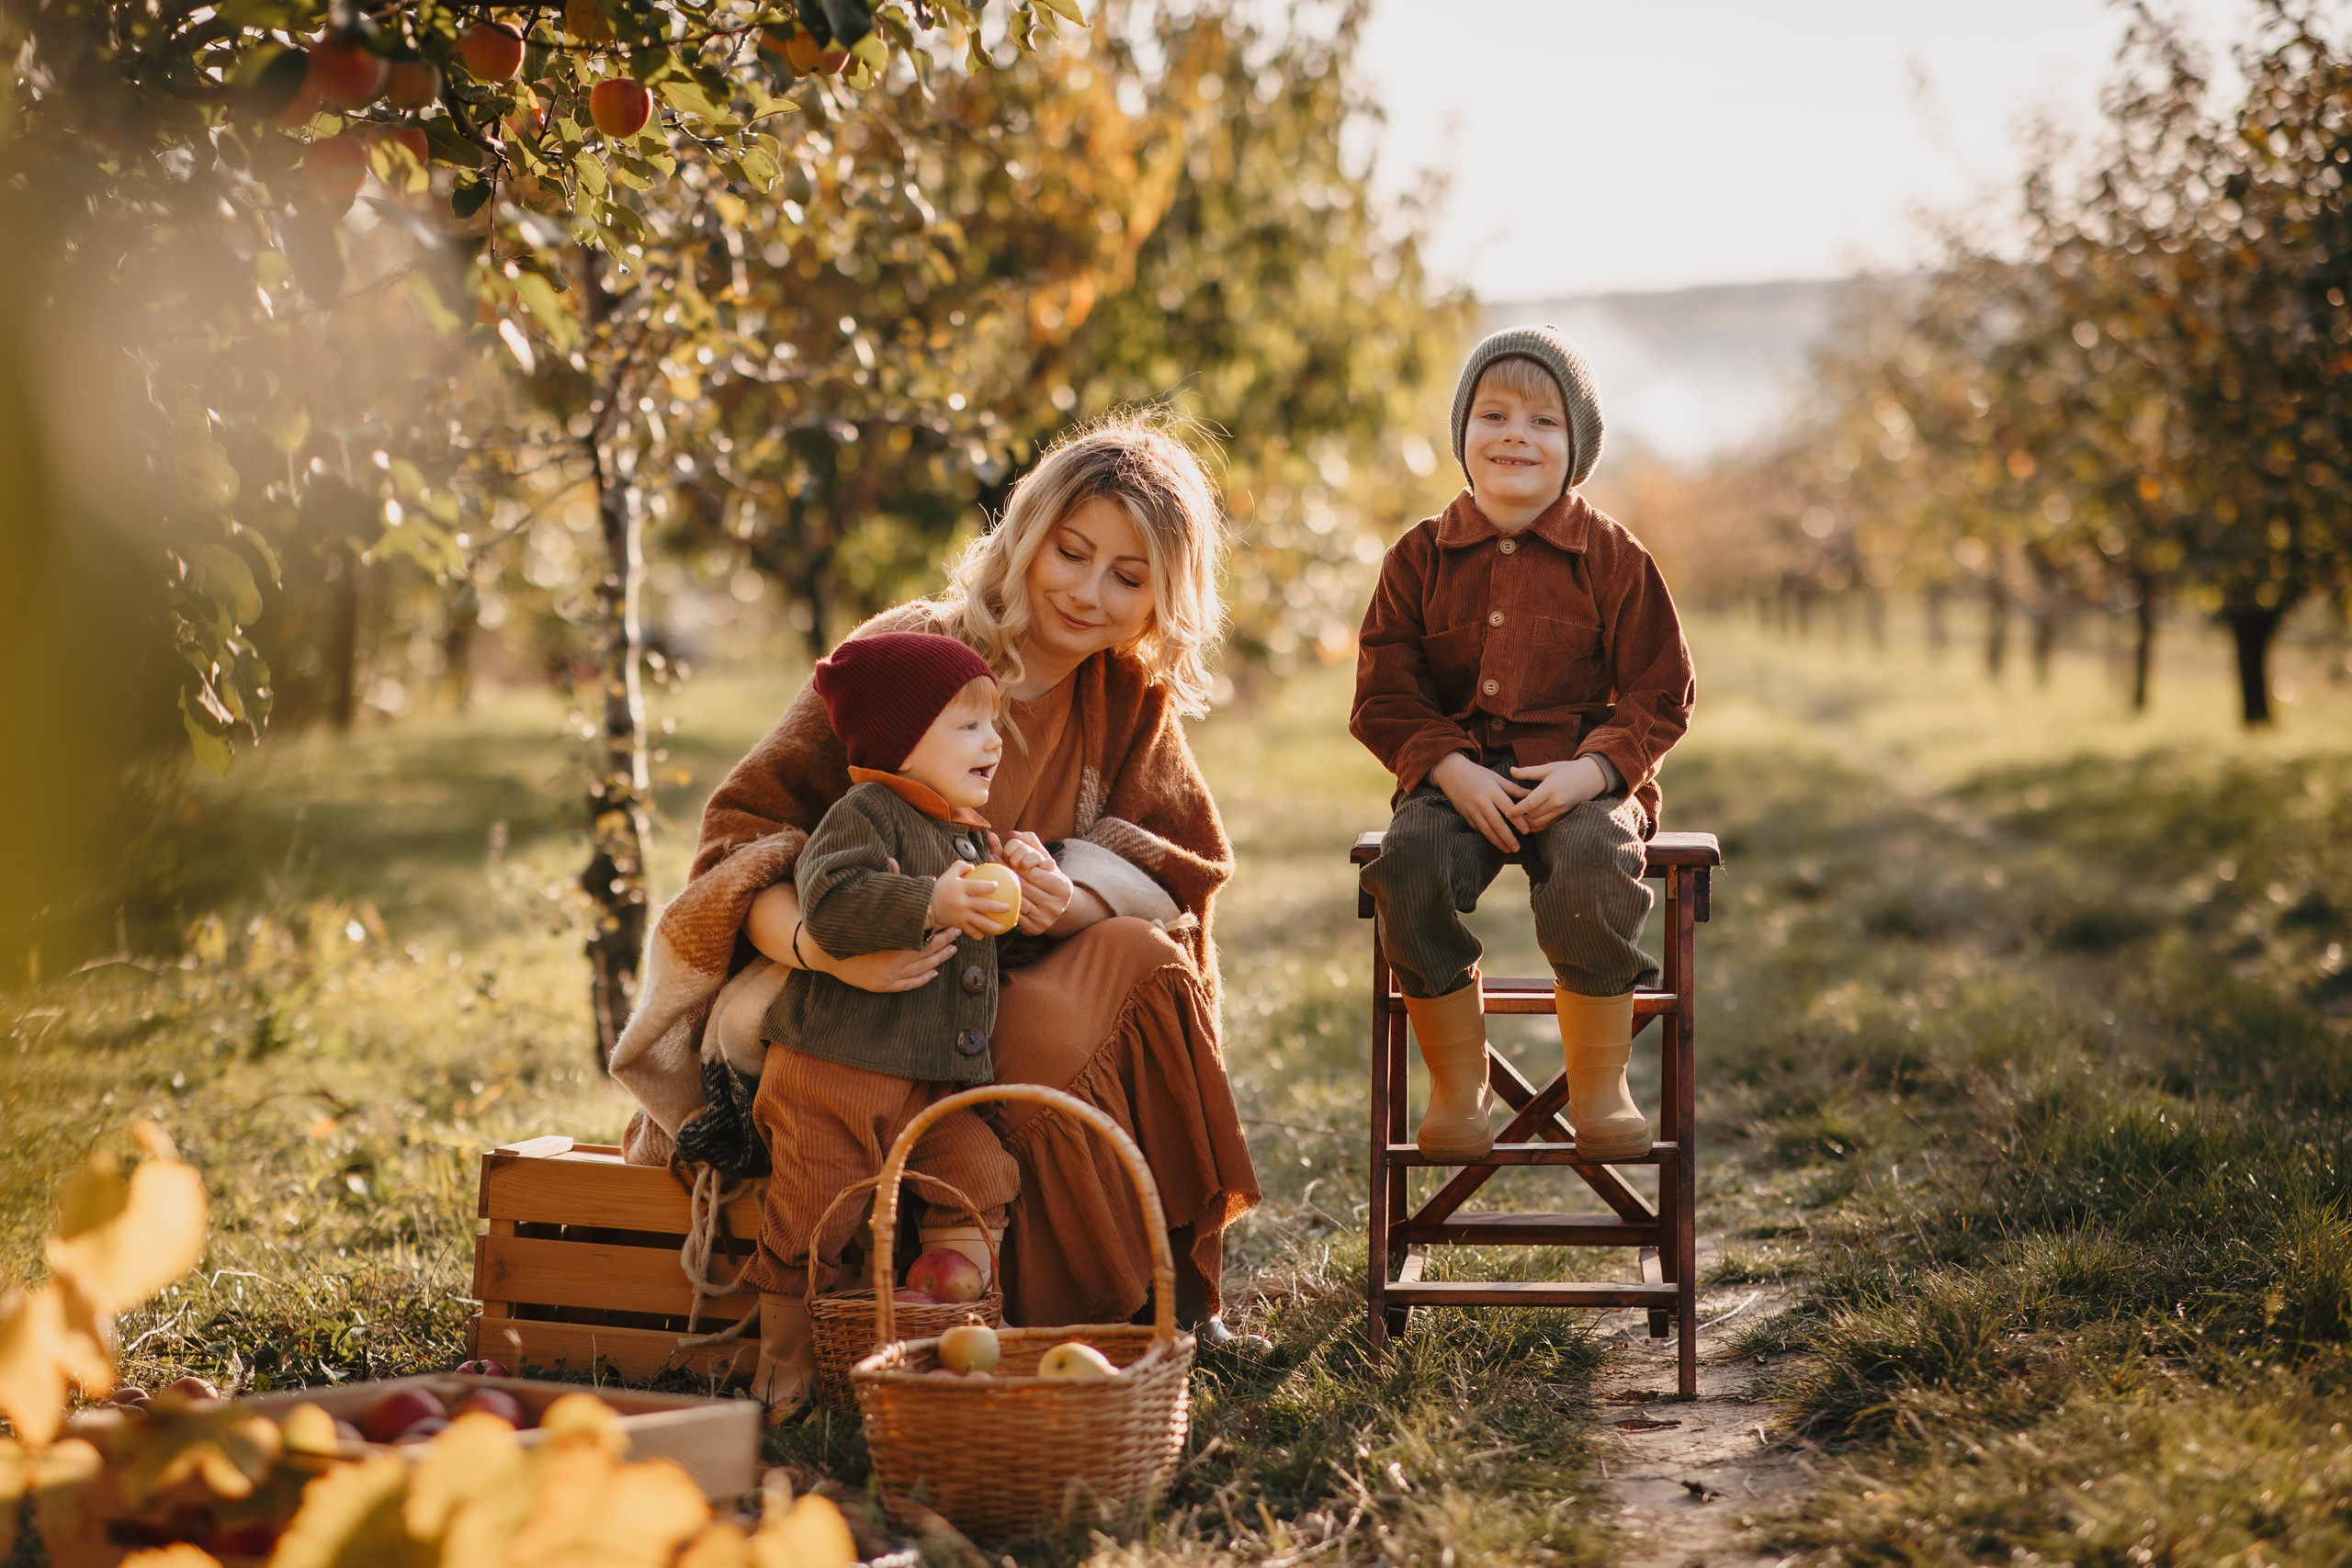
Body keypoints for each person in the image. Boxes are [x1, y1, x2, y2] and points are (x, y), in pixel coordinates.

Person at [610, 410, 1262, 1356]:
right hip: (868, 1004)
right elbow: (745, 832)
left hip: (1004, 996)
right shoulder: (913, 652)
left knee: (1141, 954)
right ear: (1026, 535)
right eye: (1071, 553)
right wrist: (825, 948)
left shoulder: (1126, 698)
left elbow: (1180, 861)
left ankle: (1165, 1297)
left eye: (1128, 577)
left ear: (1166, 596)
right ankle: (980, 1289)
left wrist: (1068, 897)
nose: (1088, 593)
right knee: (1057, 987)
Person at [1351, 325, 1695, 1164]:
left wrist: (1594, 771)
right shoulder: (1419, 557)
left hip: (1577, 776)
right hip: (1458, 778)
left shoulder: (1613, 557)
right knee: (1410, 864)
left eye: (1544, 422)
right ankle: (1457, 1084)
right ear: (1462, 433)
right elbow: (1385, 689)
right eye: (1494, 415)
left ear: (1577, 448)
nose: (1516, 436)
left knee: (1594, 865)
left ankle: (1600, 1086)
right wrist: (1448, 768)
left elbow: (1661, 688)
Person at [738, 630, 1070, 1410]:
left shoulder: (968, 832)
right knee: (814, 1210)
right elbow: (831, 905)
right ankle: (782, 1364)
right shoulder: (864, 815)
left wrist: (1019, 889)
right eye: (969, 725)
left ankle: (953, 1339)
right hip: (834, 1072)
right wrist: (931, 899)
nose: (994, 740)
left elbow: (973, 946)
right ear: (902, 740)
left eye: (993, 722)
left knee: (980, 1176)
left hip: (931, 1080)